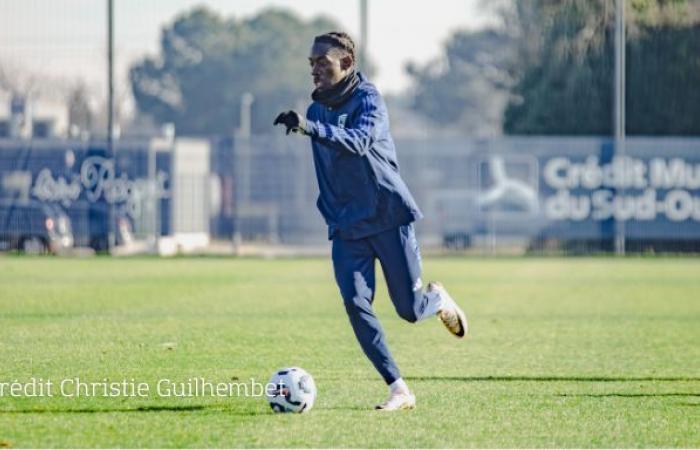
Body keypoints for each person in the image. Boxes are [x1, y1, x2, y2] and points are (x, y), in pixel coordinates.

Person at [274, 31, 467, 411]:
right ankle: (398, 388)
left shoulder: (369, 99)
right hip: (348, 227)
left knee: (409, 312)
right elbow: (327, 169)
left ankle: (437, 299)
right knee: (355, 302)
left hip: (387, 216)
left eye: (321, 62)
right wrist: (329, 209)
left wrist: (310, 128)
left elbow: (360, 141)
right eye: (310, 63)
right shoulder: (315, 111)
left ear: (345, 63)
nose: (314, 69)